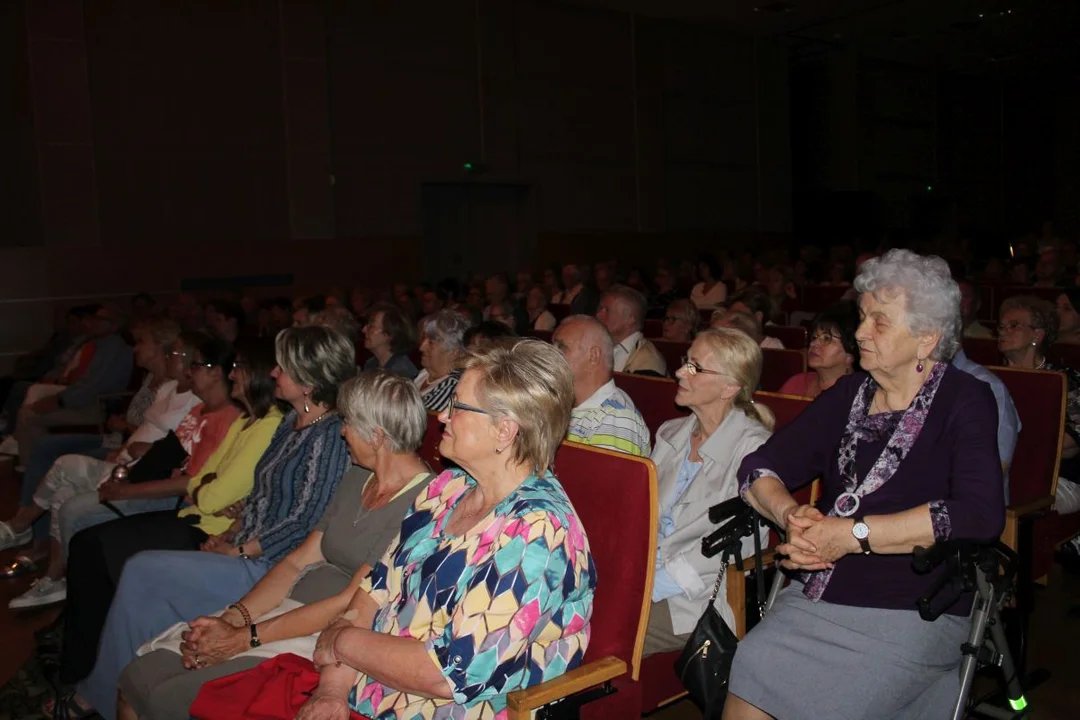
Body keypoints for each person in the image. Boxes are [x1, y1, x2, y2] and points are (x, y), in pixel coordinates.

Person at [191, 339, 595, 720]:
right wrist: (332, 690)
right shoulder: (447, 489)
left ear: (504, 431)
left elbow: (447, 673)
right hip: (363, 689)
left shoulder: (537, 533)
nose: (442, 416)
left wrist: (343, 642)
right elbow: (372, 593)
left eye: (459, 408)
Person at [726, 249, 1005, 720]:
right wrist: (790, 516)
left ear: (926, 339)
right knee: (754, 660)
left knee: (831, 699)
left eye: (880, 322)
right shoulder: (849, 394)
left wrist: (853, 534)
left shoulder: (965, 398)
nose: (859, 333)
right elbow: (758, 468)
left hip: (915, 601)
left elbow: (979, 512)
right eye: (862, 317)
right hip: (821, 589)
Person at [104, 372, 436, 720]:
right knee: (139, 676)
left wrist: (243, 637)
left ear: (378, 436)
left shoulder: (423, 502)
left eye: (348, 423)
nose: (342, 432)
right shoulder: (358, 475)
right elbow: (297, 561)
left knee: (170, 696)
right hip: (286, 607)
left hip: (327, 632)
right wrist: (234, 616)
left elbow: (349, 601)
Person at [58, 326, 355, 693]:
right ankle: (138, 686)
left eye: (282, 367)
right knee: (146, 580)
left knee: (142, 571)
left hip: (275, 569)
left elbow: (305, 522)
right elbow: (265, 496)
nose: (274, 373)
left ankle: (106, 692)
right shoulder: (291, 422)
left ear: (309, 379)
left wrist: (239, 548)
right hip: (249, 550)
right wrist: (230, 533)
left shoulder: (329, 435)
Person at [7, 335, 242, 610]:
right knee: (65, 490)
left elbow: (190, 482)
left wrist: (126, 489)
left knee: (74, 508)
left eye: (197, 365)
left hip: (176, 499)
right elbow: (164, 454)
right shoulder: (200, 409)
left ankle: (72, 584)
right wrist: (127, 473)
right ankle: (58, 579)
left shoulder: (226, 418)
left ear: (215, 372)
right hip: (151, 480)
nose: (190, 370)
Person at [0, 319, 196, 574]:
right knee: (50, 455)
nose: (135, 348)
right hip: (125, 448)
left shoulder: (189, 396)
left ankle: (30, 537)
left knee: (60, 467)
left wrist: (126, 438)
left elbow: (173, 445)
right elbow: (146, 426)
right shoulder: (162, 384)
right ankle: (45, 557)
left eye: (141, 342)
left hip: (132, 458)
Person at [645, 328, 774, 655]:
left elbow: (738, 543)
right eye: (685, 362)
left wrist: (646, 585)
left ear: (730, 387)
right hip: (644, 573)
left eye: (695, 367)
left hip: (695, 598)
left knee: (598, 625)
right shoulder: (671, 434)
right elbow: (638, 513)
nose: (679, 372)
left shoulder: (752, 451)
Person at [9, 305, 134, 468]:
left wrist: (60, 401)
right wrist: (59, 399)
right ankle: (34, 463)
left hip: (97, 407)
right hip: (85, 401)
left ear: (114, 325)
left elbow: (92, 387)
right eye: (94, 318)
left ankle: (33, 467)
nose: (93, 322)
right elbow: (84, 384)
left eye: (100, 319)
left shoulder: (114, 349)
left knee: (29, 417)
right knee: (30, 408)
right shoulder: (102, 345)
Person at [997, 296, 1080, 518]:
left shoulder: (1065, 379)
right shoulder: (989, 378)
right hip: (1000, 473)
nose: (1004, 331)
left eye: (1014, 325)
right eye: (1001, 326)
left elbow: (1069, 443)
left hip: (1058, 480)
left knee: (1000, 499)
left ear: (1037, 335)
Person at [553, 315, 651, 456]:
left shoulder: (616, 419)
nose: (549, 354)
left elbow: (602, 478)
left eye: (561, 347)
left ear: (593, 356)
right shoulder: (558, 403)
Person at [778, 303, 860, 398]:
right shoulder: (796, 384)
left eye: (826, 338)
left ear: (849, 356)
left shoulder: (858, 398)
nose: (813, 344)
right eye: (814, 337)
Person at [596, 284, 667, 376]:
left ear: (629, 319)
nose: (598, 314)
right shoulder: (597, 346)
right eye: (600, 308)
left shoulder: (648, 361)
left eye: (607, 310)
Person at [414, 309, 470, 411]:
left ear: (454, 352)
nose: (421, 347)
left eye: (431, 343)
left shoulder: (453, 386)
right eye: (423, 339)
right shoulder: (423, 374)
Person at [361, 303, 419, 379]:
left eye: (371, 326)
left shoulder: (401, 374)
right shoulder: (371, 365)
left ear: (389, 335)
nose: (364, 330)